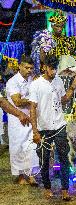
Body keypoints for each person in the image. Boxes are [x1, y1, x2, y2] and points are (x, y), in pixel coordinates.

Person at [29, 55, 76, 200]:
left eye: (55, 68)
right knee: (44, 161)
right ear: (44, 67)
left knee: (64, 158)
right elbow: (32, 108)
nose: (53, 72)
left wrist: (73, 86)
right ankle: (47, 188)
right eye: (51, 68)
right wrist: (35, 131)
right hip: (43, 128)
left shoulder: (58, 81)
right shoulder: (36, 85)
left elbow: (63, 99)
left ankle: (65, 191)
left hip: (59, 126)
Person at [6, 55, 39, 186]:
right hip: (17, 119)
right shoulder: (13, 82)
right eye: (26, 67)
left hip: (31, 118)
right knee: (17, 147)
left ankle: (31, 175)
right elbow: (17, 101)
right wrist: (32, 100)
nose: (29, 70)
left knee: (31, 146)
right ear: (20, 66)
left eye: (31, 68)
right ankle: (20, 176)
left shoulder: (32, 80)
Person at [31, 10, 76, 75]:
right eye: (57, 26)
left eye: (61, 26)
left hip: (68, 72)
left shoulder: (70, 41)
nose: (60, 29)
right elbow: (41, 59)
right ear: (52, 26)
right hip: (51, 71)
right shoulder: (46, 40)